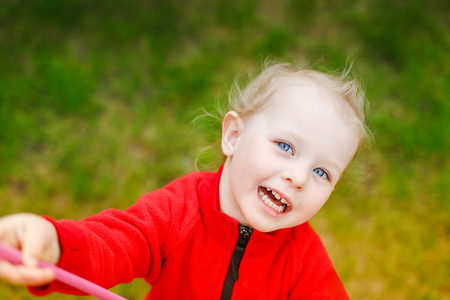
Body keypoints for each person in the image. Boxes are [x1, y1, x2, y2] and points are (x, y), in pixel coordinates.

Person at [0, 62, 370, 299]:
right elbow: (114, 242)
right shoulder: (178, 211)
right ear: (233, 136)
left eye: (322, 172)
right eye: (285, 146)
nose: (299, 176)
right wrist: (57, 245)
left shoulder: (302, 261)